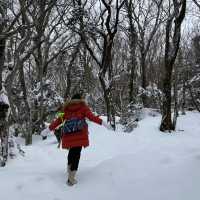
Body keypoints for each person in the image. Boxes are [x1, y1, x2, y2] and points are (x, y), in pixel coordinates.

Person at [41, 93, 111, 186]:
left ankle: (69, 170)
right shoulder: (83, 107)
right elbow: (92, 117)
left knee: (71, 153)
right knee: (76, 154)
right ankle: (71, 178)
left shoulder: (65, 109)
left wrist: (48, 130)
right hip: (80, 135)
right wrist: (103, 123)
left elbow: (58, 121)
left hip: (69, 135)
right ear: (80, 99)